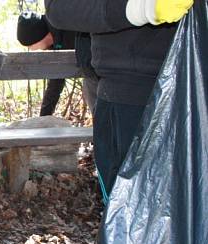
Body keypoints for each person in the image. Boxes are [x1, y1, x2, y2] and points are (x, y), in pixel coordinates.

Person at [44, 0, 194, 202]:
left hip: (195, 86)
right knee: (132, 213)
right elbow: (60, 8)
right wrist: (141, 8)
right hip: (131, 95)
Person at [16, 11, 98, 116]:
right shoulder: (55, 41)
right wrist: (44, 117)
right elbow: (56, 82)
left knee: (90, 86)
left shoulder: (68, 27)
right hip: (93, 71)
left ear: (39, 37)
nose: (31, 49)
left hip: (104, 66)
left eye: (30, 45)